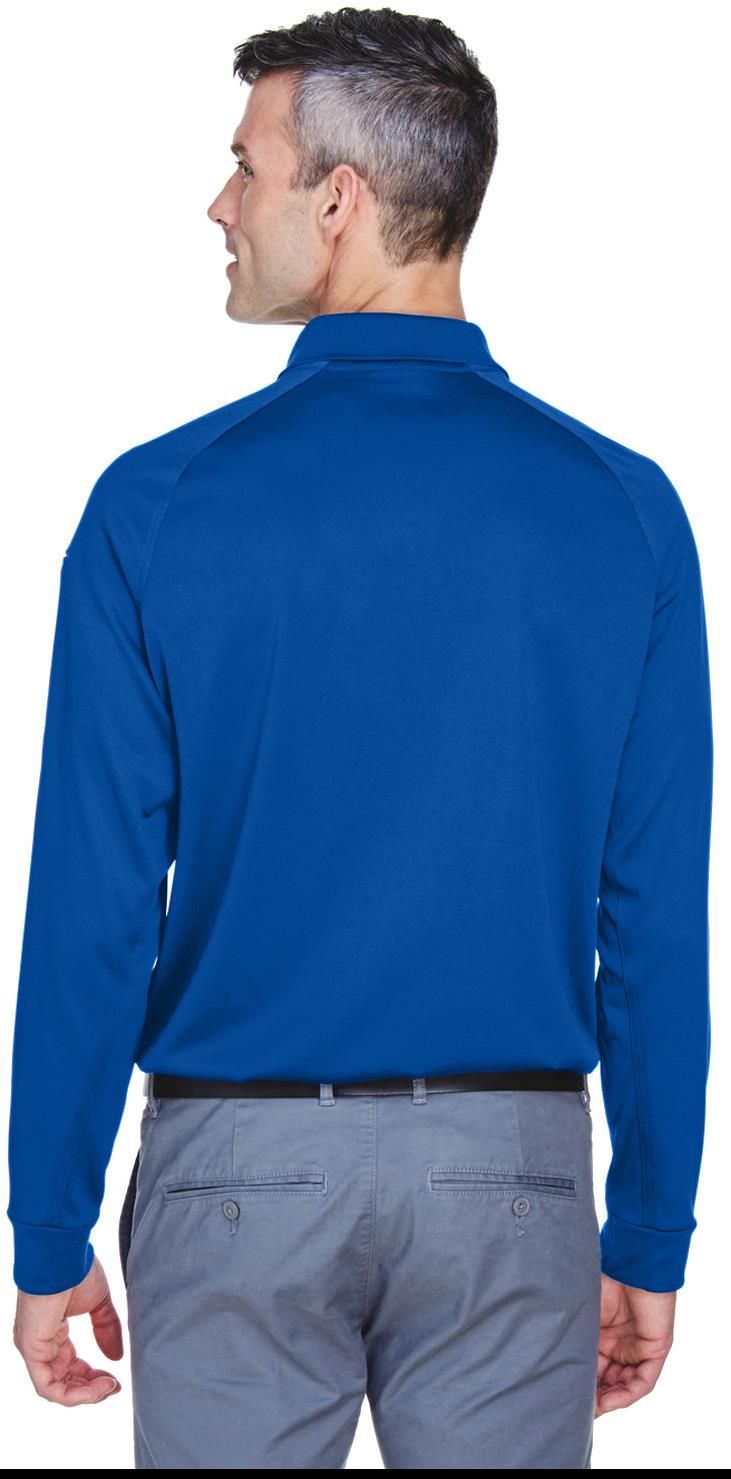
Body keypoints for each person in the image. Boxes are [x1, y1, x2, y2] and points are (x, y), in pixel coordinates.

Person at [8, 6, 713, 1471]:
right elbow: (652, 913)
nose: (219, 204)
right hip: (516, 1180)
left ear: (339, 200)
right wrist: (649, 1227)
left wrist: (49, 1222)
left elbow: (92, 904)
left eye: (245, 165)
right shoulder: (624, 509)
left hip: (234, 1181)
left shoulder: (158, 505)